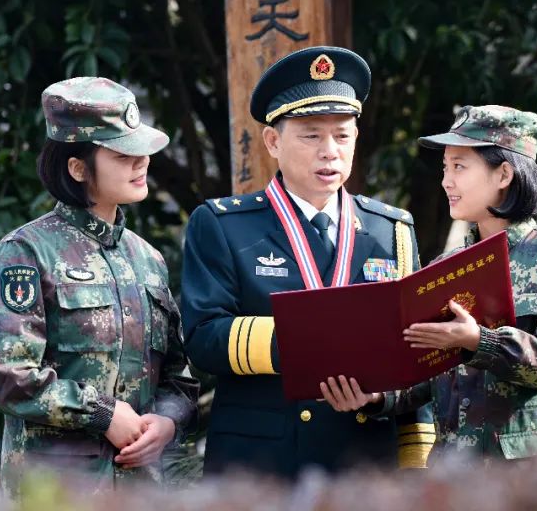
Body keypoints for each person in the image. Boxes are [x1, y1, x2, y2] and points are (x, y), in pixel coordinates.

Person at [181, 46, 436, 478]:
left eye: (342, 135)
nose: (330, 151)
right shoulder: (223, 224)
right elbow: (203, 336)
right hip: (262, 467)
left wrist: (410, 451)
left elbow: (416, 352)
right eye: (311, 135)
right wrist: (309, 342)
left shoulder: (390, 229)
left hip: (365, 461)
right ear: (273, 141)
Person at [320, 105, 537, 462]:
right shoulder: (445, 268)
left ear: (504, 175)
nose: (446, 181)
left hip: (532, 478)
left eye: (460, 167)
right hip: (455, 474)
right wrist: (376, 397)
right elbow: (424, 373)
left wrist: (478, 341)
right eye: (446, 167)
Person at [0, 78, 198, 494]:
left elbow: (178, 377)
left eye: (141, 151)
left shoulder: (148, 260)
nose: (141, 162)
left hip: (139, 492)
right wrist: (102, 414)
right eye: (122, 154)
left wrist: (167, 422)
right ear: (78, 168)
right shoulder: (26, 252)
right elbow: (0, 372)